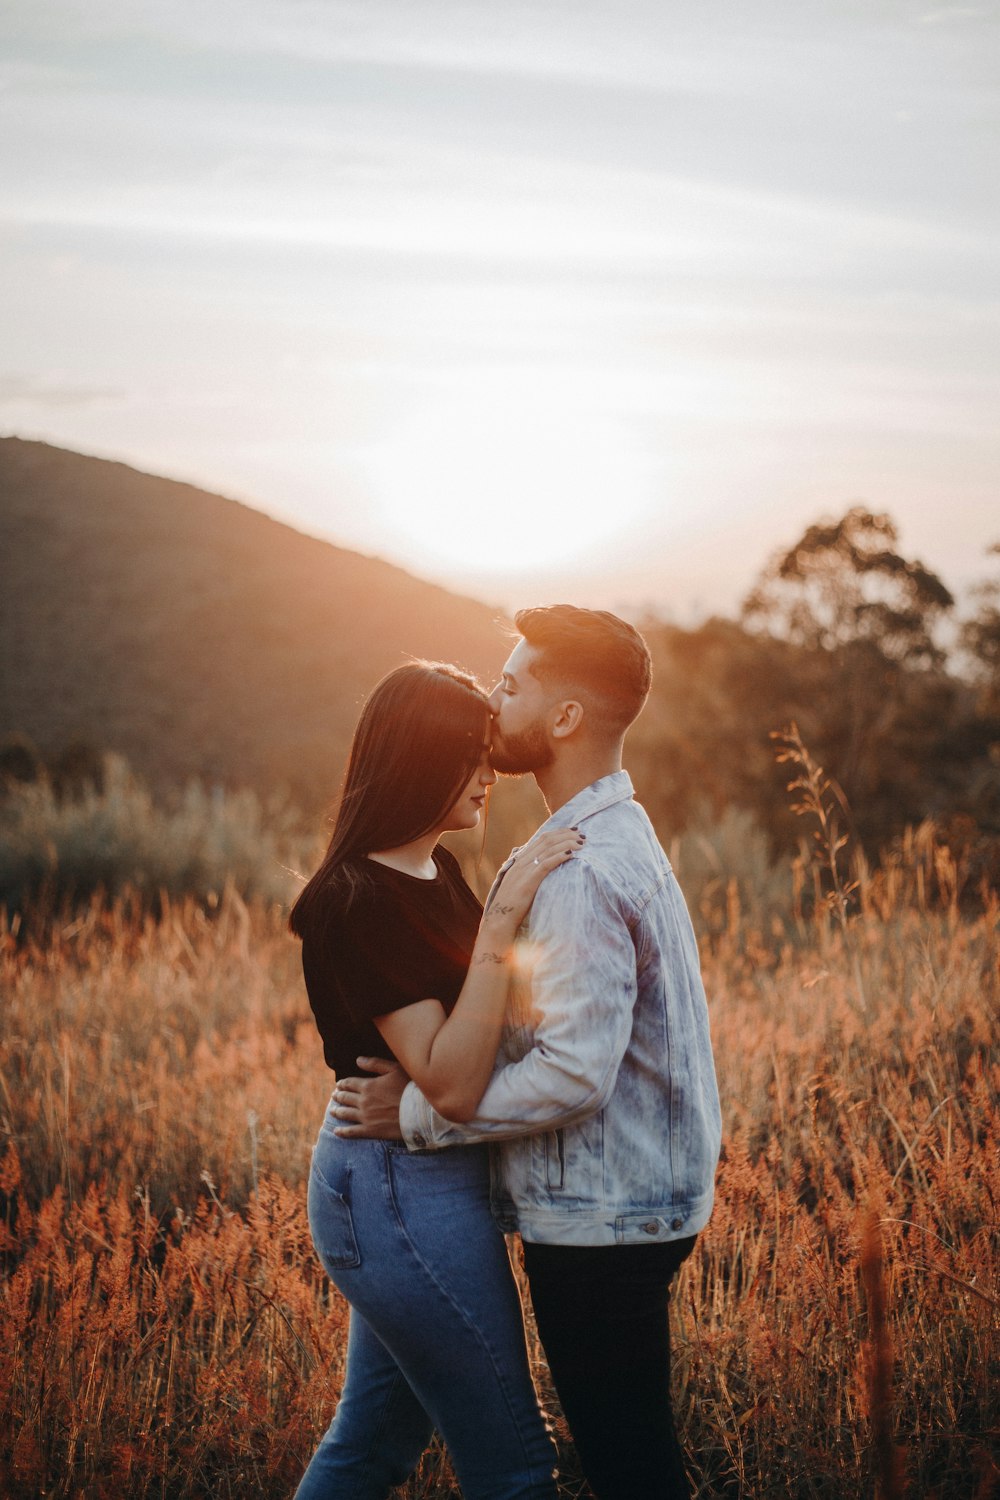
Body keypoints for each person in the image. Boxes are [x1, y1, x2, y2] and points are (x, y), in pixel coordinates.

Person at [332, 606, 723, 1500]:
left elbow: (574, 1075)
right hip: (630, 1201)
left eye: (511, 687)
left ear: (565, 718)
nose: (491, 705)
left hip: (602, 1219)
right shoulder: (611, 834)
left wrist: (419, 1112)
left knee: (631, 1469)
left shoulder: (581, 871)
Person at [289, 661, 584, 1500]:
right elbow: (452, 1083)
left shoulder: (433, 870)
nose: (489, 775)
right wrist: (503, 915)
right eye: (470, 755)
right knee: (519, 1468)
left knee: (372, 1444)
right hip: (395, 1190)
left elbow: (484, 1029)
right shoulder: (359, 900)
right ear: (421, 758)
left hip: (424, 1181)